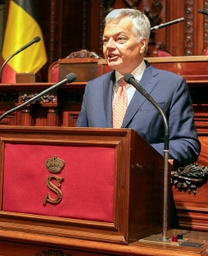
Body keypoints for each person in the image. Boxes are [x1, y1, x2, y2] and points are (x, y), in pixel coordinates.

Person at [76, 8, 200, 229]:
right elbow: (80, 143)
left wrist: (137, 153)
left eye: (120, 39)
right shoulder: (93, 89)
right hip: (96, 204)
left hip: (146, 205)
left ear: (142, 44)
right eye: (105, 40)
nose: (109, 46)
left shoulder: (170, 85)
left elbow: (188, 145)